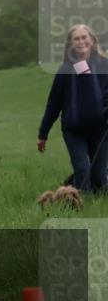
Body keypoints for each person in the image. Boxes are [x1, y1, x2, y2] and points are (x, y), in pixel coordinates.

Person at [38, 23, 108, 193]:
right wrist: (43, 133)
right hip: (74, 131)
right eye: (76, 39)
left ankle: (69, 186)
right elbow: (53, 104)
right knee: (83, 171)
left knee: (98, 178)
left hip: (100, 129)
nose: (81, 41)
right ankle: (82, 205)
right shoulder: (65, 71)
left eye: (84, 37)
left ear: (92, 41)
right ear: (71, 44)